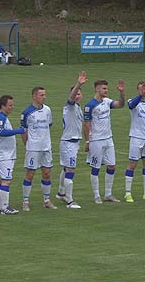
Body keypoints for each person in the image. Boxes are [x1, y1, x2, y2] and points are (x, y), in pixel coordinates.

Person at [83, 79, 126, 204]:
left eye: (107, 89)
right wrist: (87, 142)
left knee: (111, 166)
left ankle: (108, 194)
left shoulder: (107, 102)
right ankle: (96, 196)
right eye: (104, 89)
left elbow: (121, 104)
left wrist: (122, 93)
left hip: (108, 139)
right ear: (97, 89)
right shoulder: (90, 105)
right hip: (96, 140)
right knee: (95, 168)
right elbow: (86, 125)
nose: (106, 91)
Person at [55, 71, 88, 209]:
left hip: (72, 142)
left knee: (65, 167)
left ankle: (61, 192)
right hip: (69, 142)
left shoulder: (78, 108)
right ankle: (70, 201)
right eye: (76, 94)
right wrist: (78, 84)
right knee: (71, 170)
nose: (77, 96)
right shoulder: (70, 106)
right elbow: (71, 97)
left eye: (79, 94)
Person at [21, 87, 56, 211]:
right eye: (41, 95)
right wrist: (28, 145)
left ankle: (46, 200)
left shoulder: (48, 110)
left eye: (44, 95)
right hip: (33, 149)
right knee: (30, 174)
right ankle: (25, 201)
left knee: (47, 174)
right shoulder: (27, 113)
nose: (44, 97)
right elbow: (23, 131)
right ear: (34, 96)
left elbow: (49, 125)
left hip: (46, 147)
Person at [0, 95, 26, 214]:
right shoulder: (0, 117)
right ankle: (5, 207)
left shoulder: (3, 117)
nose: (12, 107)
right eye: (10, 105)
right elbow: (1, 132)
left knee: (2, 180)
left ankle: (1, 207)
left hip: (5, 154)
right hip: (3, 155)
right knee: (6, 180)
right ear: (3, 106)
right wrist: (19, 131)